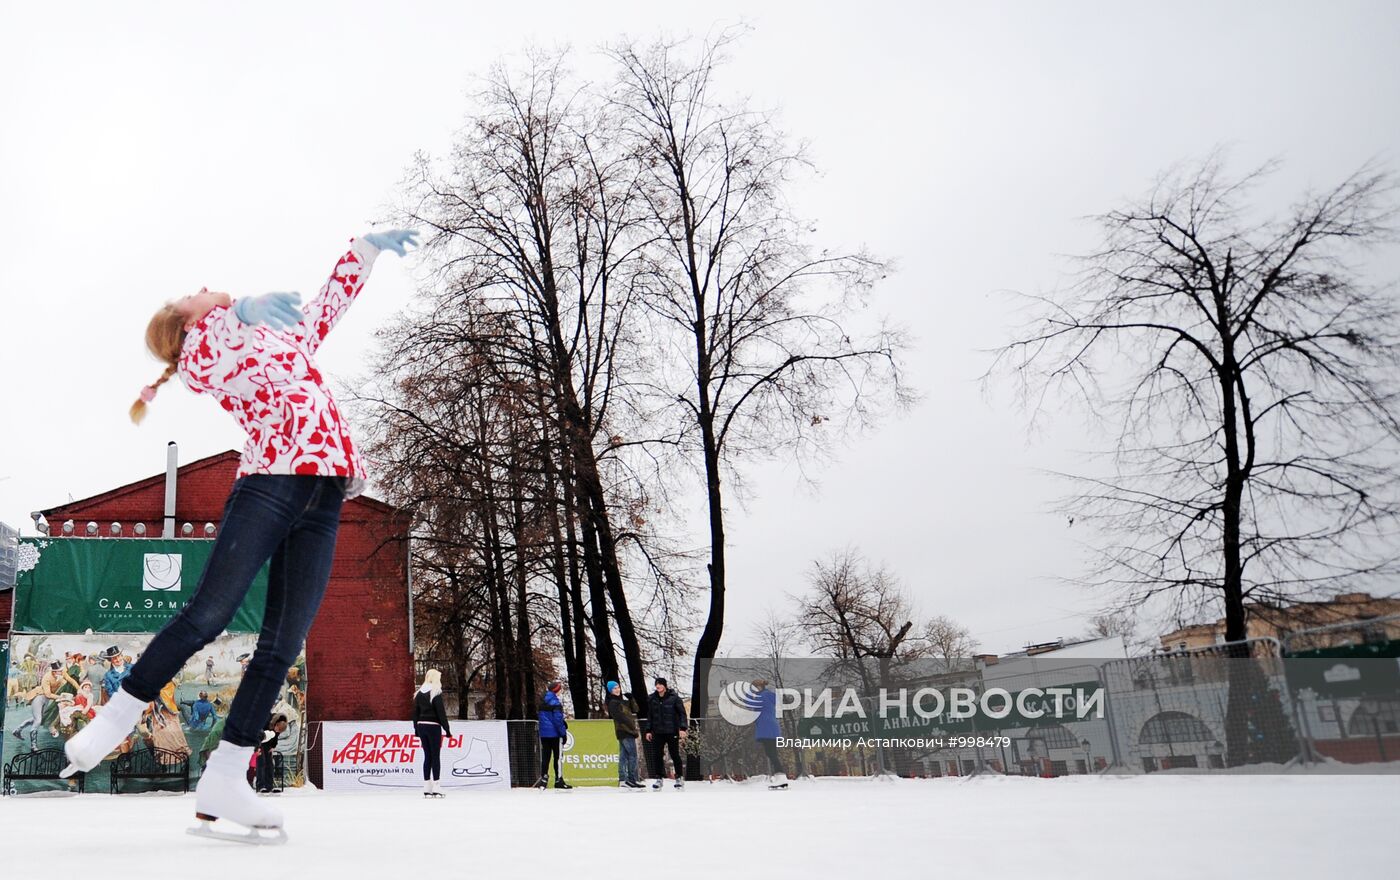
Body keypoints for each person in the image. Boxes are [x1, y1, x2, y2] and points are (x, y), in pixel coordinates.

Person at [59, 228, 419, 840]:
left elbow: (327, 306)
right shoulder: (202, 351)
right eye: (190, 295)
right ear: (184, 323)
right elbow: (205, 365)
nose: (203, 287)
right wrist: (240, 309)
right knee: (210, 614)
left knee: (284, 641)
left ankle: (226, 775)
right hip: (270, 485)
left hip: (325, 492)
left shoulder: (277, 333)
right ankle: (118, 716)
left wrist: (366, 250)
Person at [413, 669, 451, 798]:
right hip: (433, 726)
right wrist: (447, 729)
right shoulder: (435, 692)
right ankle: (436, 785)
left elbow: (415, 713)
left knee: (427, 755)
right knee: (435, 756)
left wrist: (416, 729)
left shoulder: (419, 694)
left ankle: (426, 786)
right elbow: (441, 713)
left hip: (421, 726)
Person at [645, 677, 688, 790]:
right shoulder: (652, 699)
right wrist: (648, 730)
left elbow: (682, 714)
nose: (658, 686)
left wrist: (682, 728)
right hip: (657, 732)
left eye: (660, 684)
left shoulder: (674, 698)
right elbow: (650, 716)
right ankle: (659, 778)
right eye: (656, 684)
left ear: (664, 686)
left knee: (674, 754)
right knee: (657, 755)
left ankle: (679, 777)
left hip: (671, 731)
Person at [745, 679, 786, 787]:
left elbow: (748, 703)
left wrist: (749, 692)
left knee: (772, 754)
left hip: (767, 729)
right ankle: (780, 777)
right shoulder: (767, 695)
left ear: (759, 687)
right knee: (771, 753)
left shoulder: (763, 696)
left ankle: (781, 777)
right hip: (769, 728)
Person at [605, 681, 643, 789]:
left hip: (627, 731)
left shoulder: (622, 701)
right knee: (632, 755)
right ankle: (632, 779)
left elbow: (635, 710)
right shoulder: (613, 702)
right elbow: (620, 718)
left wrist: (631, 699)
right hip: (625, 732)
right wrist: (631, 728)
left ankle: (623, 780)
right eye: (614, 688)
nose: (617, 690)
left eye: (618, 687)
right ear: (610, 690)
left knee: (624, 756)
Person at [535, 680, 571, 789]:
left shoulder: (542, 701)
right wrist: (563, 733)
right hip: (555, 734)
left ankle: (544, 778)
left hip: (545, 734)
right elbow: (557, 720)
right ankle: (559, 779)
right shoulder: (555, 702)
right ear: (557, 690)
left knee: (546, 757)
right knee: (558, 757)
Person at [255, 715, 288, 793]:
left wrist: (273, 746)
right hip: (260, 743)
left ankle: (269, 786)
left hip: (268, 744)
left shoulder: (280, 726)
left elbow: (276, 736)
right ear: (276, 724)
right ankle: (260, 786)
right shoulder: (267, 721)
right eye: (278, 729)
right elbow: (259, 734)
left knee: (270, 765)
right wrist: (258, 747)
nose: (277, 732)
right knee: (261, 763)